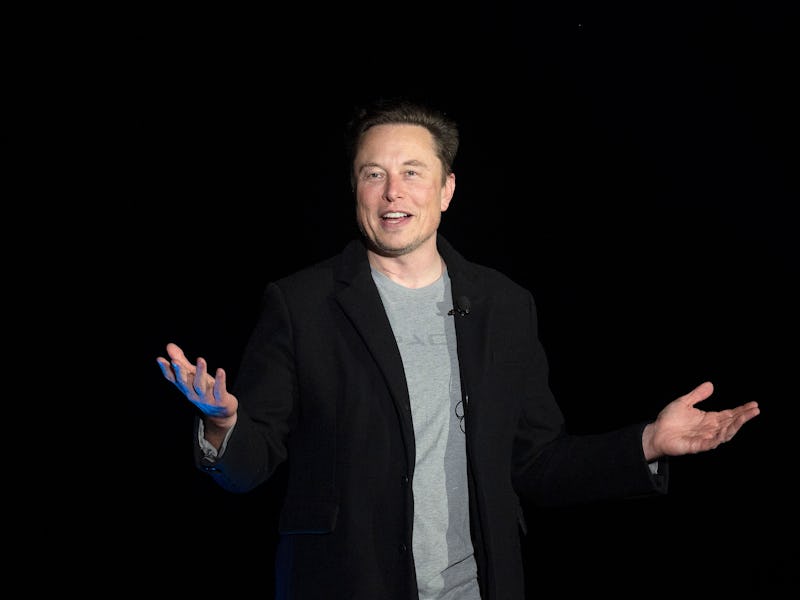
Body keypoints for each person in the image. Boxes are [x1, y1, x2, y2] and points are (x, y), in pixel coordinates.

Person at [156, 97, 760, 600]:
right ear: (356, 189)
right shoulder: (301, 304)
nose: (393, 190)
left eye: (413, 172)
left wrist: (647, 443)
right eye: (373, 173)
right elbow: (248, 465)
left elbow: (535, 462)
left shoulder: (504, 304)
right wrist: (223, 427)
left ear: (446, 189)